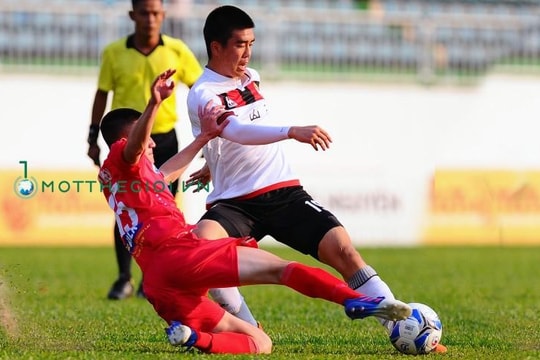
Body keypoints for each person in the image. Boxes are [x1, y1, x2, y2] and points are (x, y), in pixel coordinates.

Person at [185, 5, 447, 354]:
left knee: (344, 251)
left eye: (252, 43)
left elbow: (235, 133)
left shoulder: (252, 76)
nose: (248, 53)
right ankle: (249, 332)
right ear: (215, 47)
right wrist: (291, 131)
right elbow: (235, 130)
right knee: (203, 254)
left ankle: (400, 324)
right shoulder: (202, 93)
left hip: (283, 193)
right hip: (234, 203)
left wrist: (212, 162)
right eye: (239, 45)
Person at [97, 68, 412, 355]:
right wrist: (153, 106)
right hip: (180, 255)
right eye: (146, 134)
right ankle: (353, 299)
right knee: (281, 270)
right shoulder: (124, 157)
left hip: (159, 284)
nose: (151, 142)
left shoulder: (121, 180)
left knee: (260, 343)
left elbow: (164, 174)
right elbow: (135, 146)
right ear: (125, 141)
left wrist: (204, 138)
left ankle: (192, 338)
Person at [86, 0, 203, 300]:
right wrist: (92, 136)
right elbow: (102, 93)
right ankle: (124, 277)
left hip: (162, 140)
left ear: (163, 15)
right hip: (125, 142)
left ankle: (153, 276)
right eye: (144, 12)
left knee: (164, 207)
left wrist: (206, 134)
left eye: (155, 13)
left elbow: (200, 89)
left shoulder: (176, 50)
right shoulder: (114, 52)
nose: (150, 19)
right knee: (127, 208)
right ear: (132, 15)